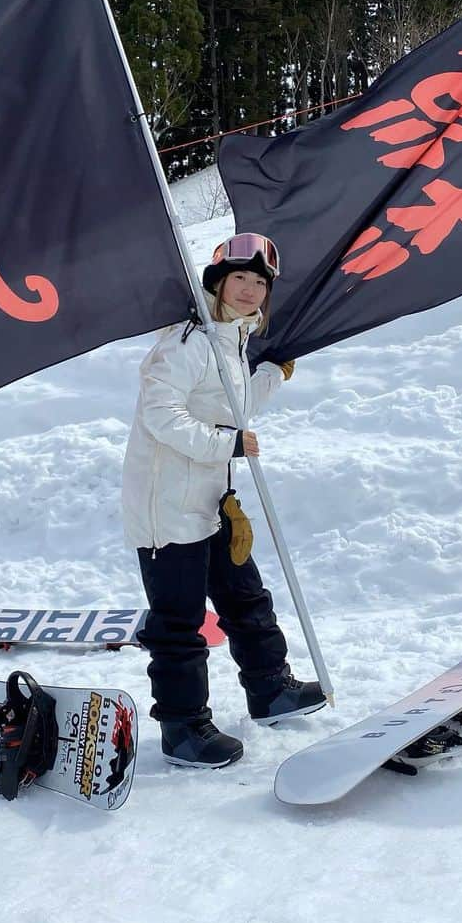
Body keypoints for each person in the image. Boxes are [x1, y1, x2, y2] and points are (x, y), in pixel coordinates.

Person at [121, 232, 326, 769]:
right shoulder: (188, 342)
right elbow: (160, 415)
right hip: (165, 506)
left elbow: (233, 410)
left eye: (260, 283)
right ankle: (183, 728)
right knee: (179, 620)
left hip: (208, 501)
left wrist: (269, 374)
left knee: (244, 597)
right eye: (240, 278)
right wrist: (225, 445)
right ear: (216, 283)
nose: (250, 289)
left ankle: (270, 689)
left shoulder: (230, 341)